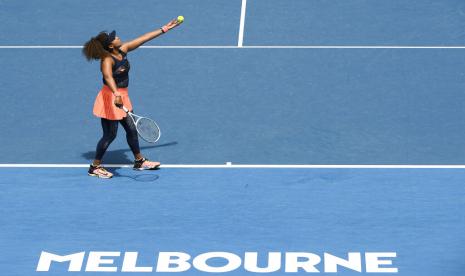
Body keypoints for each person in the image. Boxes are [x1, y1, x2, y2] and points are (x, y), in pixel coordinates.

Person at [82, 19, 181, 178]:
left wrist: (164, 29)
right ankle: (94, 167)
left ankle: (139, 161)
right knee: (110, 135)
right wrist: (116, 94)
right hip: (110, 97)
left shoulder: (123, 50)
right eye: (114, 38)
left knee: (131, 129)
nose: (118, 37)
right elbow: (108, 77)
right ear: (110, 46)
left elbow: (143, 38)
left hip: (123, 96)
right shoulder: (107, 60)